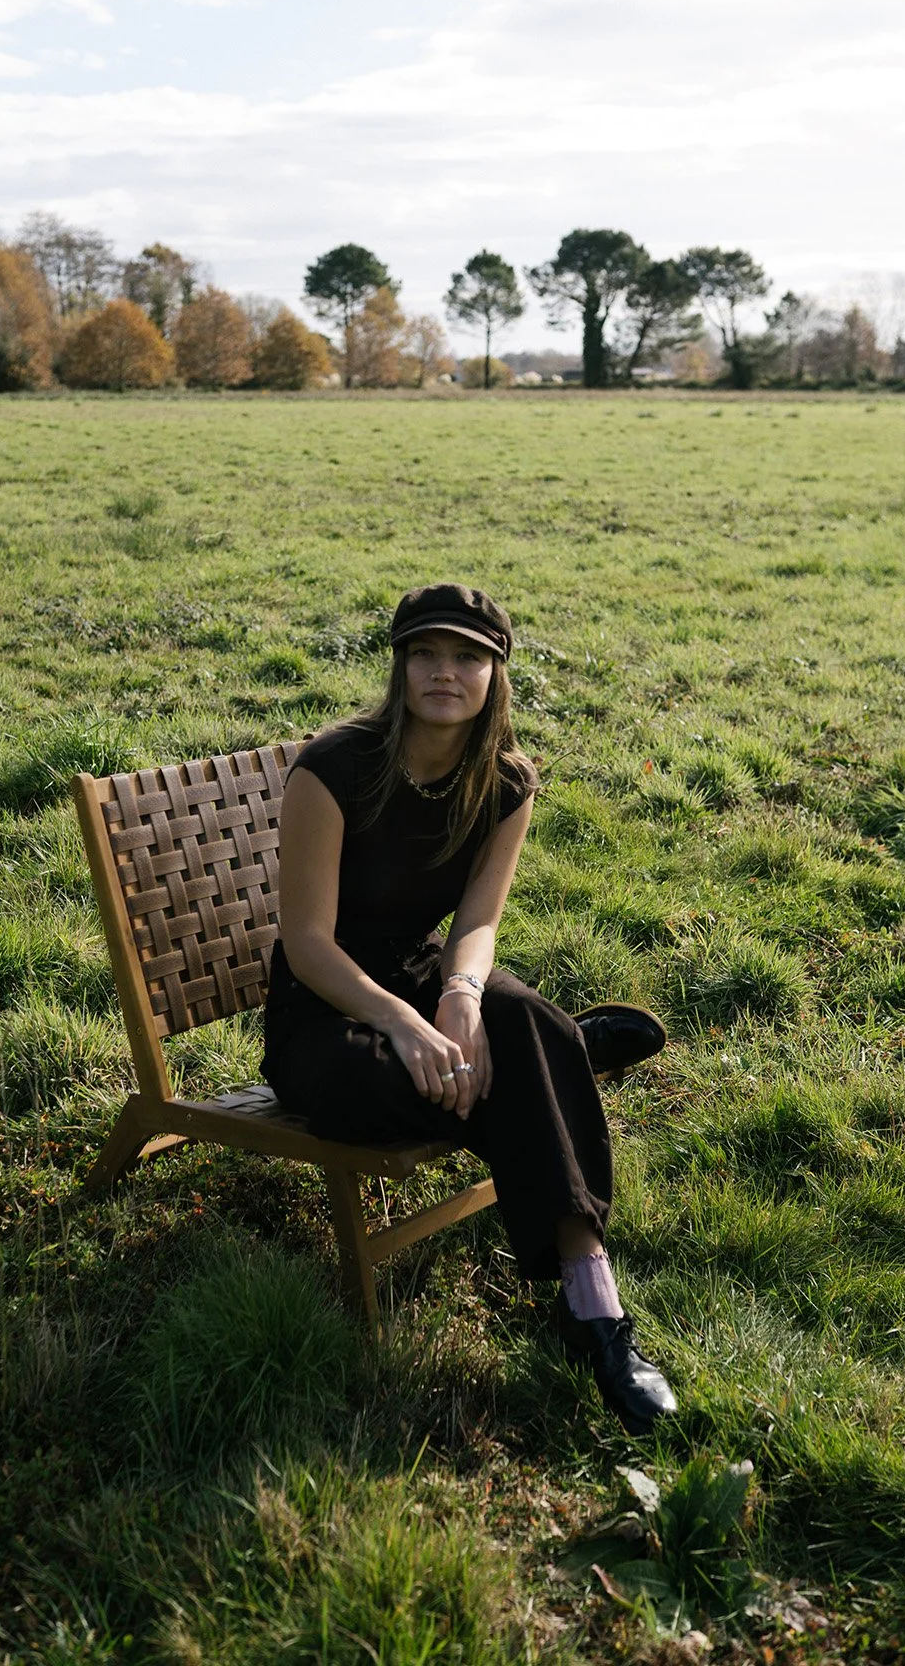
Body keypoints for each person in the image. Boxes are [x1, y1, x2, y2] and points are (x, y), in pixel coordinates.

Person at [262, 583, 677, 1433]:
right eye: (425, 654)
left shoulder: (508, 782)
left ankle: (595, 1306)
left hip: (421, 976)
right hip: (324, 1010)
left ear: (497, 672)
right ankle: (559, 1058)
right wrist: (408, 1024)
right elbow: (306, 943)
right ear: (399, 665)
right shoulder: (334, 768)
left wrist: (456, 996)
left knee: (507, 1014)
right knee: (389, 1079)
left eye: (467, 657)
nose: (444, 672)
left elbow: (478, 921)